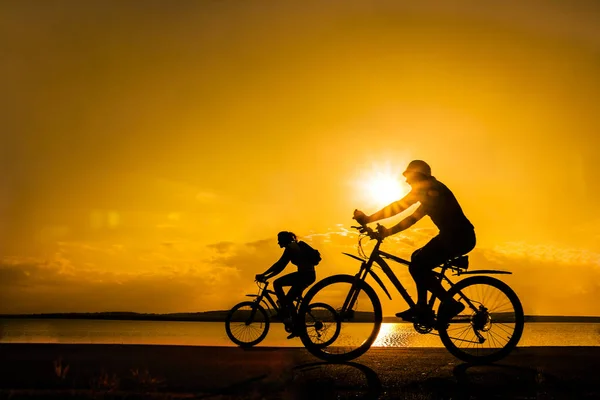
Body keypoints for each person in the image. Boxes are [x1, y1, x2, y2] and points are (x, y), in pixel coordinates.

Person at [353, 160, 475, 322]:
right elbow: (411, 219)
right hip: (456, 236)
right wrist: (388, 232)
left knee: (418, 265)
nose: (406, 180)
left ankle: (447, 303)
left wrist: (368, 218)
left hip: (457, 237)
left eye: (409, 176)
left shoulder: (429, 189)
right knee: (416, 259)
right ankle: (422, 306)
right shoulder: (431, 193)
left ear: (418, 175)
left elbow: (399, 206)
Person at [255, 231, 318, 338]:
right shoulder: (293, 246)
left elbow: (279, 265)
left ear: (284, 240)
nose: (278, 243)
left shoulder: (291, 248)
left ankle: (287, 315)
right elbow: (280, 266)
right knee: (287, 298)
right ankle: (290, 317)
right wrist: (266, 276)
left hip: (305, 275)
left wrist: (264, 275)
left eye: (279, 240)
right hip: (306, 275)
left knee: (279, 286)